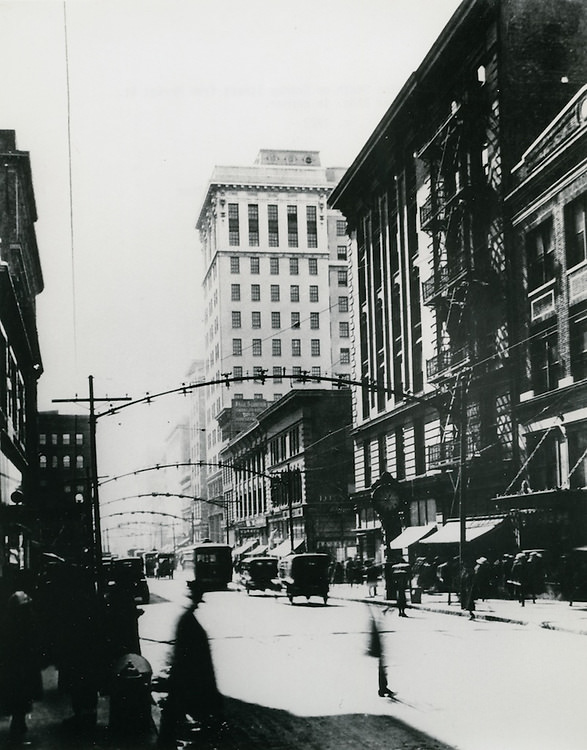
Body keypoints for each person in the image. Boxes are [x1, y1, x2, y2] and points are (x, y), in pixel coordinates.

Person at [157, 580, 223, 748]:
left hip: (186, 678)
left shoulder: (186, 619)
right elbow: (187, 655)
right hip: (189, 679)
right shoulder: (188, 621)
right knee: (179, 719)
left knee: (173, 720)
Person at [0, 589, 43, 742]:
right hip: (25, 665)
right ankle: (19, 721)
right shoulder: (29, 619)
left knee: (16, 694)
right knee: (23, 694)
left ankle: (18, 720)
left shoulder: (8, 621)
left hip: (14, 666)